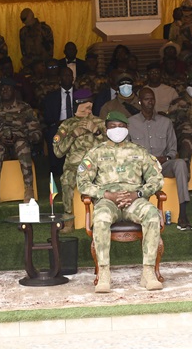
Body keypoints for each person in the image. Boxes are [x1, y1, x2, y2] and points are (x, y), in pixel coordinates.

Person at [76, 111, 164, 293]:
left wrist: (138, 193)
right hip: (107, 201)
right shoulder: (96, 153)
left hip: (134, 200)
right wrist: (106, 195)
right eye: (113, 126)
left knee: (152, 215)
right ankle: (104, 273)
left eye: (121, 126)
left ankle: (148, 272)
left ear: (127, 128)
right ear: (106, 129)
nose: (117, 130)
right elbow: (82, 183)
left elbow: (156, 179)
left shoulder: (139, 152)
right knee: (101, 218)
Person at [129, 87, 192, 230]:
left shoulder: (166, 122)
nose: (150, 102)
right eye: (146, 99)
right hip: (140, 167)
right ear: (140, 102)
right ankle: (136, 215)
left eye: (152, 99)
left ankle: (183, 214)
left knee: (180, 163)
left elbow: (172, 149)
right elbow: (126, 151)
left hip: (162, 165)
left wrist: (165, 158)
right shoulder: (130, 123)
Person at [0, 78, 41, 205]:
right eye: (2, 88)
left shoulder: (25, 108)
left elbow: (37, 133)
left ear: (14, 91)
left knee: (22, 145)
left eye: (8, 88)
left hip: (21, 147)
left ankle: (29, 189)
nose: (4, 91)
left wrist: (23, 138)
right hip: (1, 147)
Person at [52, 89, 105, 225]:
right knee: (66, 179)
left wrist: (96, 131)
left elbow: (112, 148)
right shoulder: (67, 125)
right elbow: (58, 152)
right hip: (74, 166)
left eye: (89, 107)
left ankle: (102, 219)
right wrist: (73, 135)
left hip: (97, 165)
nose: (88, 111)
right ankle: (68, 219)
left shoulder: (100, 123)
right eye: (84, 107)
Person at [43, 66, 76, 177]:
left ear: (73, 78)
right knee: (52, 133)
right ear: (59, 78)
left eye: (69, 75)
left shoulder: (80, 94)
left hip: (77, 124)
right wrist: (59, 123)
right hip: (58, 125)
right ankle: (55, 168)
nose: (67, 77)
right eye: (64, 75)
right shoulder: (51, 96)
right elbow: (47, 117)